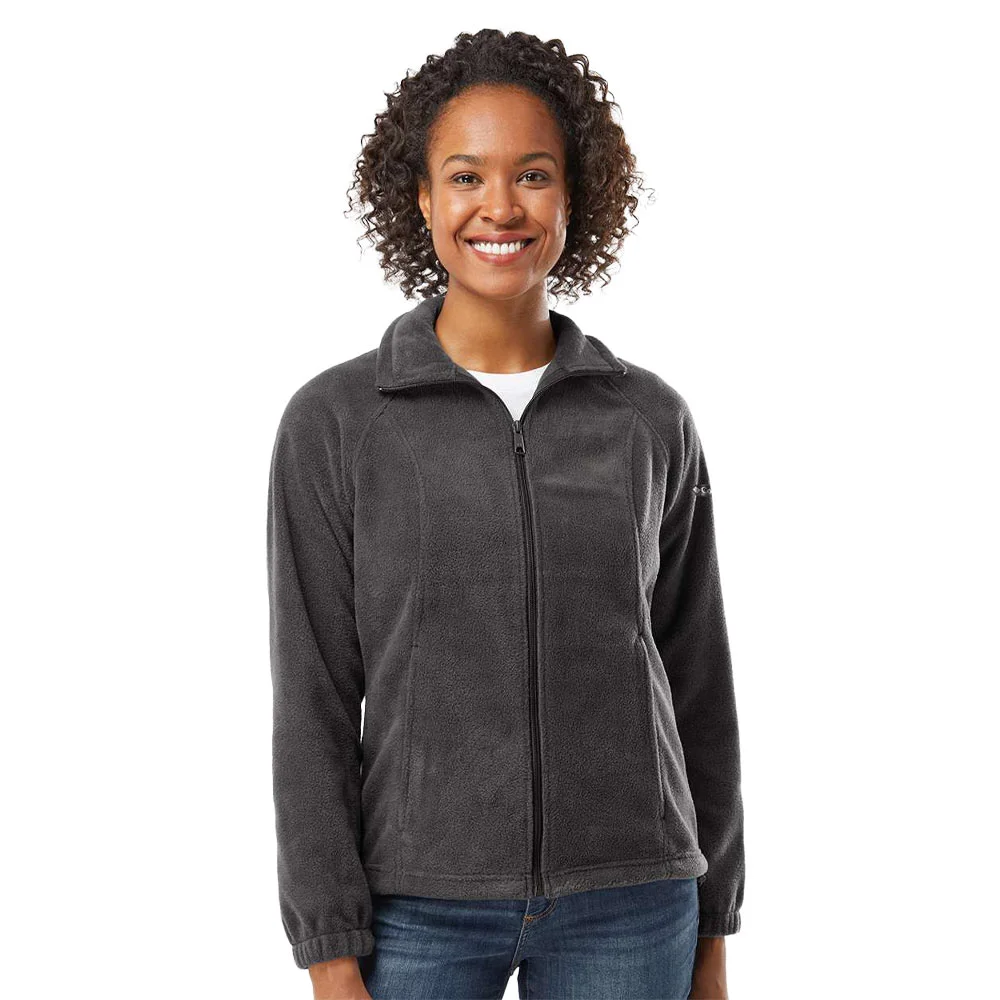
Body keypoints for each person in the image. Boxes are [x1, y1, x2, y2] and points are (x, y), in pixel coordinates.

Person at [267, 28, 745, 1000]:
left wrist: (713, 926)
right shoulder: (338, 422)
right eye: (465, 176)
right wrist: (328, 946)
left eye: (532, 174)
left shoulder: (647, 419)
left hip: (632, 900)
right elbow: (311, 697)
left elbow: (698, 678)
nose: (499, 206)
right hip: (415, 906)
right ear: (421, 197)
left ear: (574, 196)